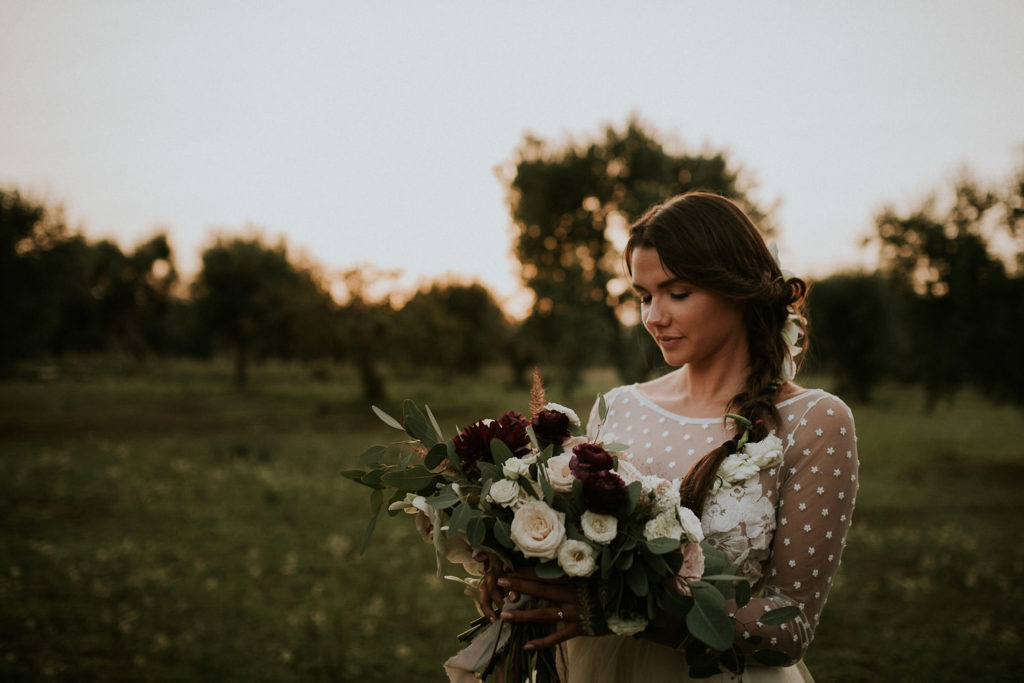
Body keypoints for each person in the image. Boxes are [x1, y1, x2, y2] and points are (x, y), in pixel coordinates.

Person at [478, 191, 859, 682]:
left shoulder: (817, 422)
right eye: (643, 296)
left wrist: (616, 612)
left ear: (738, 289)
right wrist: (519, 576)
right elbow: (581, 555)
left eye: (677, 293)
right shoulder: (619, 406)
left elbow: (790, 631)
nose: (654, 316)